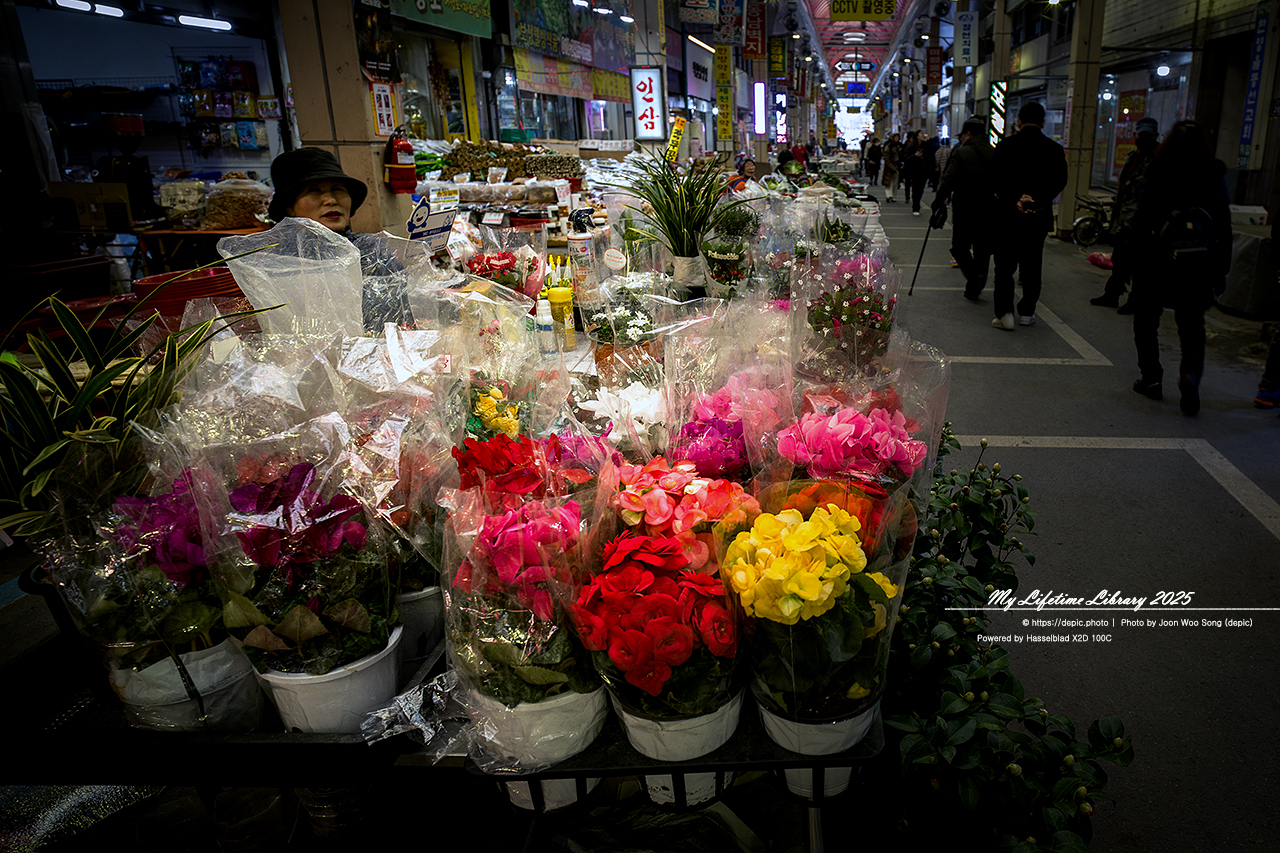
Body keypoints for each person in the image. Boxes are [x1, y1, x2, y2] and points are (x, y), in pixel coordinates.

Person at [1128, 120, 1232, 415]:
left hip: (1156, 259)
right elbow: (1223, 229)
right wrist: (1220, 270)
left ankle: (1151, 379)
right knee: (1192, 325)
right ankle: (1190, 376)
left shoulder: (1160, 170)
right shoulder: (1214, 175)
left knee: (1146, 319)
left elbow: (1141, 218)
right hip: (1198, 264)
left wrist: (1131, 257)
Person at [268, 146, 412, 331]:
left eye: (337, 189)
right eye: (314, 191)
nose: (330, 200)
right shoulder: (276, 262)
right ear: (289, 207)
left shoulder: (371, 251)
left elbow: (403, 316)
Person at [989, 102, 1068, 330]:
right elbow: (1060, 180)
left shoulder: (1006, 146)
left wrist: (1016, 197)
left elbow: (995, 178)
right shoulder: (1054, 149)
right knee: (1032, 265)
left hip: (1008, 216)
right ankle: (1027, 312)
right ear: (1043, 122)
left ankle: (1005, 314)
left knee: (1004, 267)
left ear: (1018, 121)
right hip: (1038, 216)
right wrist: (1036, 197)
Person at [1090, 116, 1160, 311]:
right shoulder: (1133, 157)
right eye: (1141, 134)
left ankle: (1135, 300)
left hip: (1143, 222)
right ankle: (1112, 294)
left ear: (1155, 136)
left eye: (1148, 135)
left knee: (1139, 264)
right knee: (1119, 259)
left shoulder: (1158, 160)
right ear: (1135, 135)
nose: (1143, 138)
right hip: (1123, 218)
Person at [932, 118, 996, 300]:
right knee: (982, 248)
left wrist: (937, 202)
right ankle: (975, 287)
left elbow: (948, 179)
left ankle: (974, 278)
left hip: (965, 207)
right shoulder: (994, 152)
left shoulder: (961, 152)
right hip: (989, 207)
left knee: (960, 247)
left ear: (968, 134)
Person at [902, 130, 931, 215]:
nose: (923, 135)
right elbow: (905, 158)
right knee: (916, 189)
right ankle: (915, 208)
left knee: (921, 189)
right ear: (917, 136)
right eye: (921, 133)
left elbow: (932, 151)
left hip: (924, 171)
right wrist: (915, 156)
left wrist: (929, 140)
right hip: (914, 171)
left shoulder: (925, 145)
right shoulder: (911, 146)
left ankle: (917, 204)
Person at [882, 133, 902, 203]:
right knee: (888, 183)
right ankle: (889, 196)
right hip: (889, 169)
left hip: (896, 169)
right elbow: (887, 162)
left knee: (895, 184)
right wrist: (894, 169)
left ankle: (894, 196)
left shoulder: (899, 149)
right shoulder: (887, 151)